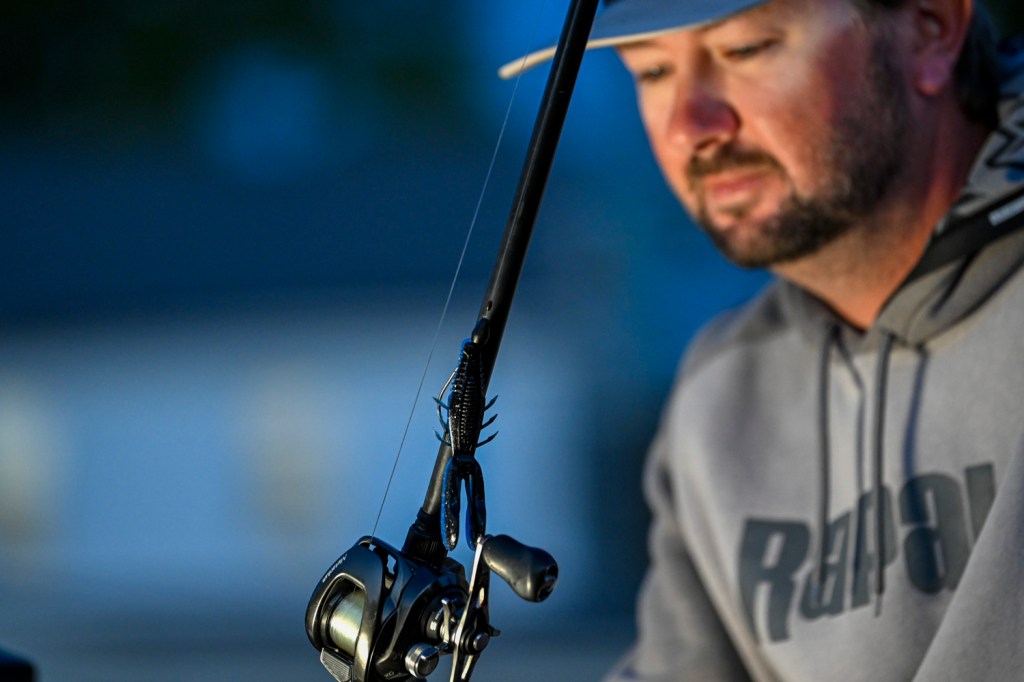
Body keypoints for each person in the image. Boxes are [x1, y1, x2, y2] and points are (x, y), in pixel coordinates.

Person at [503, 0, 1024, 679]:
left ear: (932, 30)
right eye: (653, 72)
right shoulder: (719, 396)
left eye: (746, 51)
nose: (692, 126)